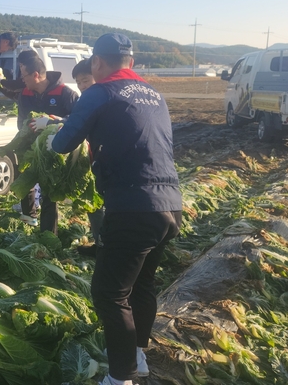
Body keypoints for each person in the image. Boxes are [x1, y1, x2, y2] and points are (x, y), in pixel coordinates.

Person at [50, 33, 182, 385]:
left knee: (109, 293)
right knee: (142, 284)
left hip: (132, 207)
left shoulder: (100, 92)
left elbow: (63, 143)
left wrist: (49, 136)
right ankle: (137, 356)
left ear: (96, 63)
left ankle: (121, 378)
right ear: (131, 63)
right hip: (171, 205)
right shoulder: (154, 94)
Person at [14, 55, 79, 232]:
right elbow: (21, 122)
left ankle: (48, 235)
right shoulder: (25, 94)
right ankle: (29, 219)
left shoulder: (65, 93)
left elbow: (77, 120)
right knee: (25, 181)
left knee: (50, 192)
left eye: (24, 75)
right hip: (30, 148)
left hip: (54, 151)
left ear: (35, 75)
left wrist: (54, 122)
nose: (22, 79)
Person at [71, 58, 103, 256]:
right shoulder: (84, 99)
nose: (82, 86)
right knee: (93, 202)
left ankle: (106, 246)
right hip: (92, 158)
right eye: (78, 83)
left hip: (105, 159)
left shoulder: (102, 98)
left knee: (102, 203)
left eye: (85, 80)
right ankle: (100, 243)